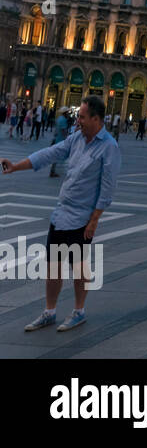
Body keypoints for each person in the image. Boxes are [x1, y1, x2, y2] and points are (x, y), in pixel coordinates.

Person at [2, 95, 121, 333]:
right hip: (62, 213)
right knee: (53, 266)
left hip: (83, 218)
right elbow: (49, 154)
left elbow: (107, 188)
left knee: (78, 266)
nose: (79, 120)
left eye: (83, 117)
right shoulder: (76, 138)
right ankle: (50, 311)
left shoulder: (109, 147)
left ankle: (79, 310)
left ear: (96, 119)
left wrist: (94, 220)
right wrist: (17, 166)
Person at [47, 108, 72, 177]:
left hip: (56, 138)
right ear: (65, 113)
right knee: (58, 156)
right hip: (60, 140)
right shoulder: (63, 120)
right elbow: (63, 130)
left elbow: (56, 129)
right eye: (67, 112)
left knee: (56, 155)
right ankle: (53, 171)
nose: (68, 113)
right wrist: (66, 138)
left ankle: (53, 170)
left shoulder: (59, 118)